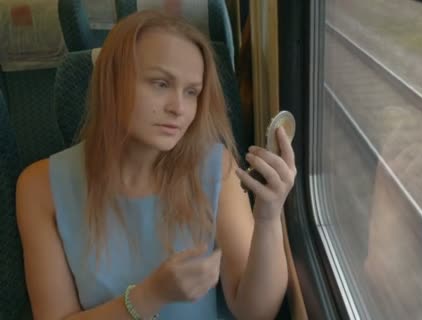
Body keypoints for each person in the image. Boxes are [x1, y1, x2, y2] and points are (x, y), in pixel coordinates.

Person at [15, 10, 295, 320]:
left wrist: (268, 217)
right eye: (160, 84)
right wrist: (150, 295)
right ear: (112, 82)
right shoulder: (40, 186)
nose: (179, 108)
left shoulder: (216, 167)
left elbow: (256, 312)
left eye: (192, 92)